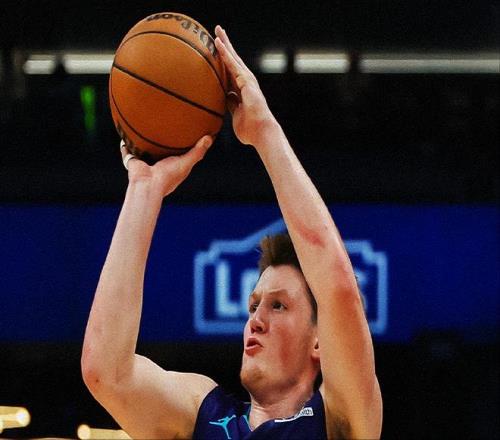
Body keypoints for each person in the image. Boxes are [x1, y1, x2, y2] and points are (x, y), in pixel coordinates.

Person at [81, 25, 382, 439]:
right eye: (254, 306)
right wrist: (144, 189)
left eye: (278, 306)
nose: (255, 320)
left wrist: (264, 131)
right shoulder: (201, 412)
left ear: (319, 341)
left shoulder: (340, 420)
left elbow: (338, 287)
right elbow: (105, 372)